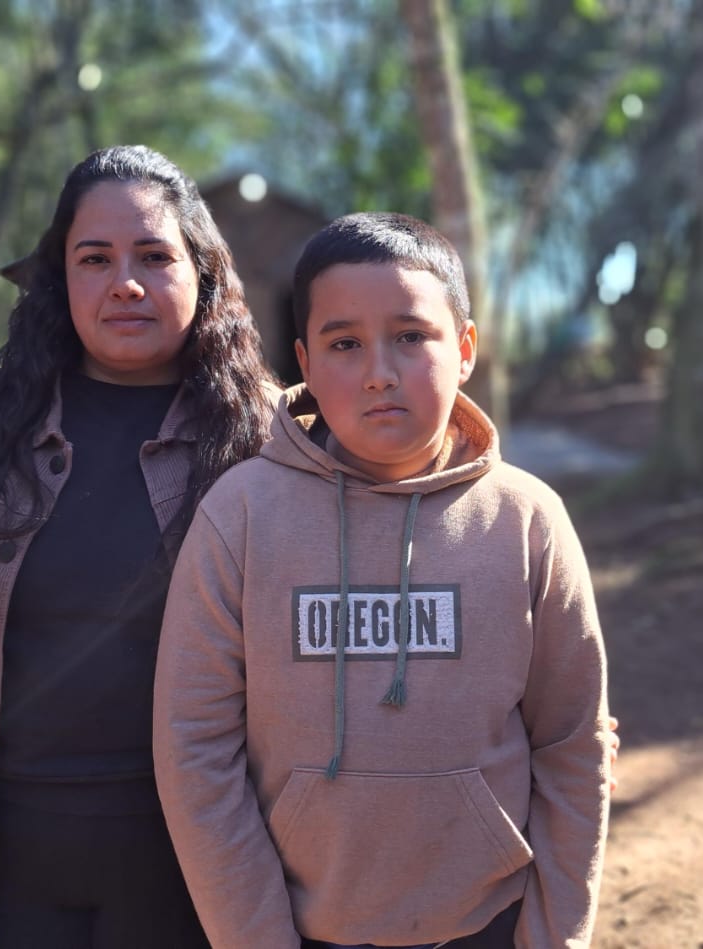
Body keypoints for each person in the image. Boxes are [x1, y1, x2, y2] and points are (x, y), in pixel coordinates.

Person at [0, 144, 278, 949]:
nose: (125, 282)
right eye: (94, 258)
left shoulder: (271, 442)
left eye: (154, 256)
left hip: (204, 885)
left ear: (203, 273)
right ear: (58, 279)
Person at [153, 212, 611, 948]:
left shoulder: (528, 520)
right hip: (299, 931)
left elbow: (572, 744)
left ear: (464, 348)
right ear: (304, 357)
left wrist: (555, 936)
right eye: (344, 343)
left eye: (410, 336)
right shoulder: (240, 516)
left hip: (489, 924)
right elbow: (195, 749)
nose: (379, 371)